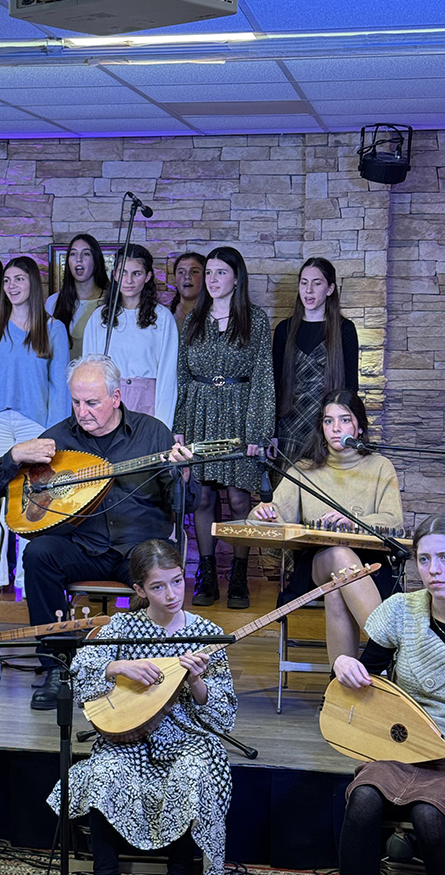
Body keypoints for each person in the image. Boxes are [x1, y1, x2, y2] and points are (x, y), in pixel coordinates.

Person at [48, 538, 236, 875]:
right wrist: (117, 666)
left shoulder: (207, 635)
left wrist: (197, 683)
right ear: (139, 590)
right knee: (102, 772)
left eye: (177, 582)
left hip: (189, 739)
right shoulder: (121, 629)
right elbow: (79, 676)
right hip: (129, 738)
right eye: (157, 587)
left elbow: (223, 716)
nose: (171, 594)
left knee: (193, 773)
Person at [0, 354, 199, 710]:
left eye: (91, 402)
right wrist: (15, 454)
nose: (82, 412)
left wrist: (184, 475)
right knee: (38, 555)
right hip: (83, 546)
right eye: (76, 402)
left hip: (138, 550)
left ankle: (155, 669)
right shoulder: (57, 439)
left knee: (159, 570)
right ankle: (58, 668)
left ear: (116, 397)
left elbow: (186, 504)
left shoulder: (152, 433)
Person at [333, 513, 445, 875]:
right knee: (363, 800)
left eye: (444, 558)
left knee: (429, 818)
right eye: (425, 559)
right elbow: (368, 680)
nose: (434, 570)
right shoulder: (402, 610)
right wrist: (344, 665)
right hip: (404, 745)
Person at [250, 389, 403, 664]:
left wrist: (355, 522)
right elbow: (272, 514)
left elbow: (394, 521)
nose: (335, 428)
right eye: (328, 421)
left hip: (373, 563)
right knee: (339, 556)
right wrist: (263, 513)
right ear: (321, 427)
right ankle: (387, 647)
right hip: (316, 563)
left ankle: (339, 682)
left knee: (337, 590)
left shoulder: (380, 466)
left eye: (344, 420)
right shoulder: (304, 468)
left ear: (359, 427)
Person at [173, 246, 275, 610]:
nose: (212, 280)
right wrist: (180, 424)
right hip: (200, 413)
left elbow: (263, 377)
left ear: (236, 278)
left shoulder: (255, 319)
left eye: (220, 273)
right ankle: (206, 573)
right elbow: (182, 375)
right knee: (202, 497)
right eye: (209, 273)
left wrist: (258, 432)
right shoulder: (193, 319)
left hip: (239, 412)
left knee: (237, 498)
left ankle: (238, 575)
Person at [0, 255, 71, 592]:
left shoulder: (53, 328)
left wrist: (54, 434)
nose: (12, 286)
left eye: (19, 279)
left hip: (34, 426)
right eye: (8, 280)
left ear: (33, 284)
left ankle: (29, 578)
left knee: (33, 502)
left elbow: (59, 387)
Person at [273, 258, 359, 463]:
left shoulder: (345, 329)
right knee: (288, 483)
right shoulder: (284, 329)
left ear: (330, 289)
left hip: (327, 427)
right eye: (304, 283)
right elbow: (274, 386)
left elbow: (350, 387)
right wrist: (272, 432)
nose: (308, 290)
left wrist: (344, 428)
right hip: (289, 427)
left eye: (316, 283)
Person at [84, 244, 178, 429]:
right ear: (115, 274)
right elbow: (90, 369)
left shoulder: (162, 318)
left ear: (148, 276)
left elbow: (168, 374)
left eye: (136, 273)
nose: (128, 280)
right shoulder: (99, 318)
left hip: (148, 402)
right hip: (109, 401)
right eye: (123, 272)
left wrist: (163, 423)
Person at [46, 233, 109, 361]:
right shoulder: (53, 302)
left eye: (86, 254)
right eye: (73, 254)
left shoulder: (109, 302)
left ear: (96, 259)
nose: (78, 259)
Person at [170, 251, 206, 332]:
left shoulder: (215, 316)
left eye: (194, 272)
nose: (187, 276)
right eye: (181, 272)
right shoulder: (165, 315)